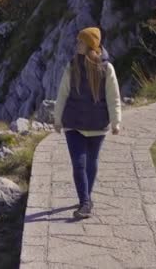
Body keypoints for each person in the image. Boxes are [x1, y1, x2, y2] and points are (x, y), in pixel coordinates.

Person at [53, 27, 122, 219]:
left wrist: (116, 122)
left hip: (97, 124)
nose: (77, 45)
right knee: (79, 163)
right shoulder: (72, 65)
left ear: (91, 44)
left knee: (91, 163)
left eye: (81, 42)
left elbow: (113, 97)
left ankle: (86, 198)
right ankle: (85, 202)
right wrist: (57, 119)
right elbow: (63, 93)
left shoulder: (106, 68)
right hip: (73, 123)